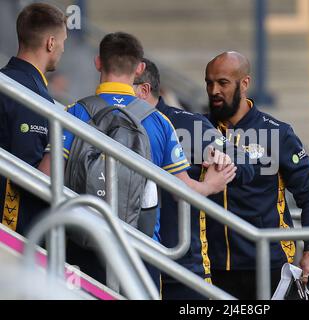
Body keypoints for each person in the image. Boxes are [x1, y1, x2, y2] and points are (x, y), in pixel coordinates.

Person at [39, 33, 236, 290]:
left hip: (84, 244)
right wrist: (211, 184)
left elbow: (45, 176)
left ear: (98, 63)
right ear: (140, 68)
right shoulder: (160, 122)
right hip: (141, 249)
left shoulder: (74, 113)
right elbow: (181, 190)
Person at [204, 52, 309, 299]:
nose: (214, 90)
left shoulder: (278, 133)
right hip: (212, 267)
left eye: (223, 83)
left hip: (269, 265)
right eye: (209, 82)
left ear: (245, 83)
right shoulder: (199, 130)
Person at [133, 58, 254, 299]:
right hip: (126, 257)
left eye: (122, 86)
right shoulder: (107, 120)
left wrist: (224, 160)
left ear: (143, 90)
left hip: (182, 265)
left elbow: (246, 164)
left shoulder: (188, 124)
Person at [0, 3, 67, 235]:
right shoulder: (32, 96)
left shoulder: (6, 79)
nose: (63, 49)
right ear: (50, 42)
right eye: (63, 42)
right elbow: (28, 177)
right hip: (14, 231)